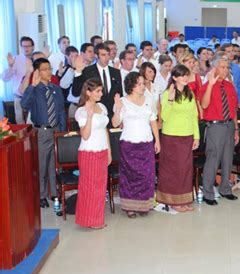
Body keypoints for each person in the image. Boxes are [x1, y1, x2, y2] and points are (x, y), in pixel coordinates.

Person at [112, 72, 160, 218]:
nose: (142, 87)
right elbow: (115, 123)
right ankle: (130, 207)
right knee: (129, 176)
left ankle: (143, 205)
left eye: (143, 84)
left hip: (146, 142)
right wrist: (118, 108)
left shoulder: (148, 100)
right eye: (139, 84)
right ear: (131, 86)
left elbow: (153, 121)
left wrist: (157, 140)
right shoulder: (123, 101)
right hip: (129, 143)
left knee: (147, 175)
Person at [21, 58, 66, 208]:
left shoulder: (56, 88)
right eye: (45, 69)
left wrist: (62, 132)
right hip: (42, 131)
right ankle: (41, 195)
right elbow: (24, 104)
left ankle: (54, 193)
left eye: (49, 68)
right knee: (42, 165)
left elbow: (60, 112)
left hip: (55, 130)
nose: (49, 71)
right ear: (38, 72)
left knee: (54, 164)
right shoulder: (34, 89)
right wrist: (31, 86)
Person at [156, 65, 200, 212]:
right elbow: (164, 117)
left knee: (185, 169)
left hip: (187, 135)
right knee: (173, 169)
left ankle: (184, 200)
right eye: (182, 75)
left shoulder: (190, 94)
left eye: (187, 75)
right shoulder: (167, 93)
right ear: (174, 78)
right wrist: (169, 101)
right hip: (172, 136)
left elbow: (194, 116)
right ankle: (173, 201)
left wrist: (197, 136)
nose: (186, 78)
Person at [199, 54, 239, 205]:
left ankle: (225, 189)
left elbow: (233, 109)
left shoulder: (229, 86)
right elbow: (204, 104)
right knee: (213, 160)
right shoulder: (207, 85)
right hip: (215, 126)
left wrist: (236, 129)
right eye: (222, 67)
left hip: (228, 125)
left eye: (227, 67)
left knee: (228, 159)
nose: (225, 70)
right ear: (214, 68)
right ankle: (208, 193)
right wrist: (210, 85)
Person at [74, 78, 111, 229]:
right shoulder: (81, 111)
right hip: (89, 152)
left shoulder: (102, 107)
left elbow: (105, 130)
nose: (101, 94)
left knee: (101, 187)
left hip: (102, 150)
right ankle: (89, 220)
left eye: (101, 90)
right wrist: (89, 117)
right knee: (89, 187)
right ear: (88, 93)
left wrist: (109, 151)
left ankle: (97, 218)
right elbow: (85, 135)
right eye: (97, 91)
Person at [72, 43, 123, 126]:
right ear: (96, 55)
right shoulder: (88, 71)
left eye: (108, 55)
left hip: (112, 115)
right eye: (103, 55)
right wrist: (78, 72)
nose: (106, 58)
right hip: (95, 114)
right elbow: (76, 92)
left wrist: (120, 116)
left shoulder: (115, 72)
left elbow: (119, 95)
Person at [2, 36, 35, 124]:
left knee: (34, 125)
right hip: (20, 98)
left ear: (33, 47)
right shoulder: (15, 60)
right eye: (23, 46)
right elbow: (4, 78)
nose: (26, 48)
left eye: (28, 46)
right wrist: (10, 66)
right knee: (21, 125)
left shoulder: (36, 58)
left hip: (35, 97)